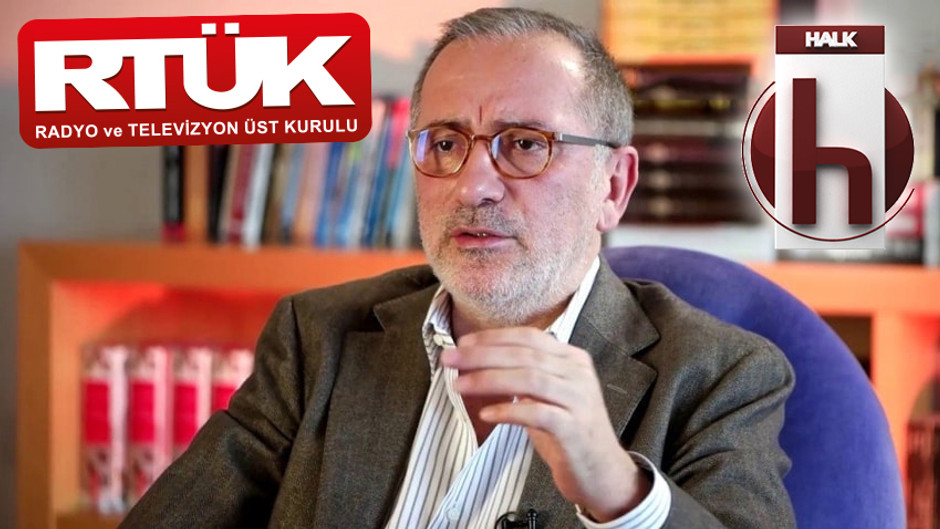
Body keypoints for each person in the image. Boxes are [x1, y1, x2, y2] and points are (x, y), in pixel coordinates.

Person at [120, 7, 795, 528]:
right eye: (445, 143)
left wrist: (618, 491)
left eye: (525, 144)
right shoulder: (318, 337)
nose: (473, 186)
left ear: (612, 187)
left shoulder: (720, 375)